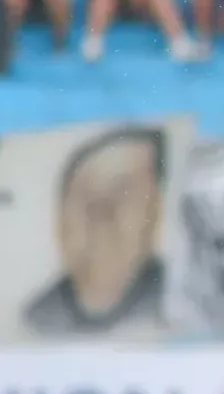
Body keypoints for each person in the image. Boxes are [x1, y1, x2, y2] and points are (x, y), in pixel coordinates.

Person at [24, 127, 167, 336]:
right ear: (60, 221)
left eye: (122, 191)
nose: (101, 214)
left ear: (155, 211)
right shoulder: (34, 320)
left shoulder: (182, 305)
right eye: (85, 195)